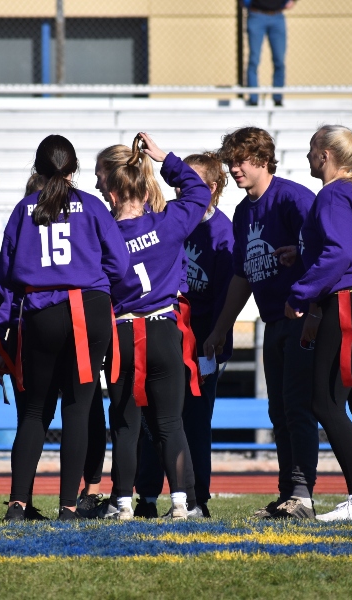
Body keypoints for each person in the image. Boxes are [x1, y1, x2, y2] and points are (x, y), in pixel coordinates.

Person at [0, 134, 130, 521]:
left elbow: (4, 278)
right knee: (78, 409)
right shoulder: (94, 206)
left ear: (38, 168)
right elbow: (121, 266)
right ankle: (69, 506)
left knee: (33, 412)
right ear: (74, 170)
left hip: (41, 311)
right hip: (89, 308)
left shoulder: (23, 209)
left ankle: (18, 504)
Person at [202, 126, 318, 520]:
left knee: (299, 408)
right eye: (230, 161)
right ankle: (289, 494)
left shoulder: (292, 198)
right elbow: (242, 276)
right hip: (273, 321)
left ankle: (303, 496)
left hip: (303, 317)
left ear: (264, 160)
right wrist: (222, 327)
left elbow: (327, 251)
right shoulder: (242, 211)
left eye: (241, 160)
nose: (234, 168)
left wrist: (310, 300)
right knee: (279, 410)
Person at [97, 133, 211, 521]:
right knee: (170, 423)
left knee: (126, 424)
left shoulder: (103, 236)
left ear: (112, 193)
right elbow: (198, 193)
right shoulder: (169, 222)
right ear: (146, 189)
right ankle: (184, 502)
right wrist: (167, 159)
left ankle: (122, 503)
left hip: (123, 333)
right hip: (164, 330)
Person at [285, 125, 352, 523]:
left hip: (350, 302)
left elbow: (337, 252)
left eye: (312, 150)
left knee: (325, 402)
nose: (308, 157)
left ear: (326, 155)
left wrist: (300, 294)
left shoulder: (332, 192)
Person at [134, 152, 234, 518]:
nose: (178, 189)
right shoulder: (169, 218)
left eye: (187, 182)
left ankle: (197, 499)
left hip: (202, 342)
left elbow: (227, 294)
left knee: (193, 421)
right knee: (152, 419)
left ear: (210, 187)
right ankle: (145, 495)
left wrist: (217, 338)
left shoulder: (221, 231)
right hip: (163, 335)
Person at [245, 0, 297, 107]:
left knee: (279, 61)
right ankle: (253, 99)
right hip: (256, 15)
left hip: (277, 16)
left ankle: (278, 99)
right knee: (254, 60)